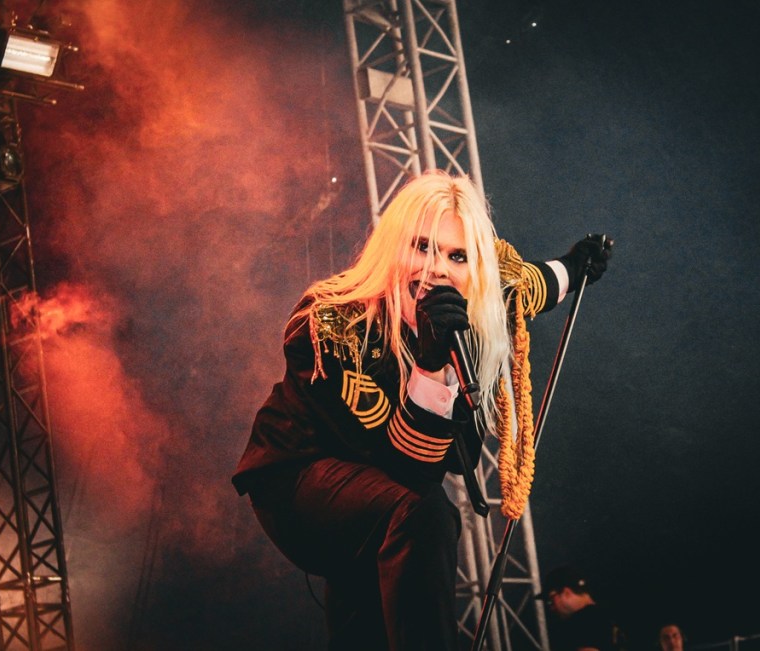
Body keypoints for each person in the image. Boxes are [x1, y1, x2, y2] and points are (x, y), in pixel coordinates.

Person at [231, 170, 612, 650]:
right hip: (300, 479)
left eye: (457, 256)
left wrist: (576, 265)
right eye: (422, 247)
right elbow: (407, 470)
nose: (437, 270)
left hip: (379, 499)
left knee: (374, 605)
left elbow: (530, 284)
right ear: (395, 247)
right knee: (426, 513)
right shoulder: (333, 322)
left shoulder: (479, 299)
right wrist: (431, 368)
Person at [539, 565, 627, 651]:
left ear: (566, 593)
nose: (551, 608)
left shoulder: (583, 621)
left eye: (550, 601)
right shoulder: (607, 615)